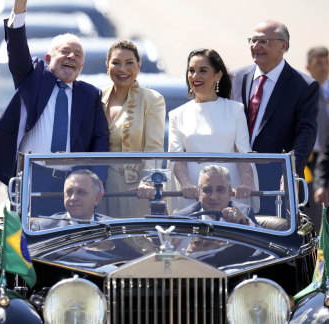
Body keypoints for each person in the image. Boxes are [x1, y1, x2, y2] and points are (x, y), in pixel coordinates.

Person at [0, 0, 109, 187]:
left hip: (73, 186)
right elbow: (17, 50)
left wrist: (97, 182)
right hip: (31, 180)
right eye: (64, 52)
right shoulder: (34, 78)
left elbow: (100, 140)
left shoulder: (90, 95)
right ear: (48, 60)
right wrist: (20, 2)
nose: (71, 57)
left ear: (82, 65)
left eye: (77, 55)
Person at [231, 20, 318, 210]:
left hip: (277, 185)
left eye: (263, 41)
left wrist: (290, 172)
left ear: (283, 45)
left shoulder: (303, 86)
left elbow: (306, 134)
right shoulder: (235, 78)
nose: (255, 46)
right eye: (252, 41)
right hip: (235, 181)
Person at [169, 49, 255, 211]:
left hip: (230, 193)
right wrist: (186, 184)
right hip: (193, 195)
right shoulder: (177, 114)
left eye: (203, 71)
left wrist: (247, 183)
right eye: (191, 71)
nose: (195, 76)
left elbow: (243, 154)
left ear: (218, 75)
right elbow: (177, 158)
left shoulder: (235, 109)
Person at [101, 40, 165, 216]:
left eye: (129, 63)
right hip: (99, 187)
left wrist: (149, 181)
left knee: (132, 241)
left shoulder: (152, 99)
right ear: (107, 66)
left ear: (138, 66)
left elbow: (154, 147)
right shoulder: (98, 97)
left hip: (134, 188)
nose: (122, 69)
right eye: (116, 63)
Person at [174, 165, 257, 226]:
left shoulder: (244, 212)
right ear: (199, 193)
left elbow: (262, 243)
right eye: (207, 190)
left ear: (229, 193)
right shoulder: (182, 218)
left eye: (220, 190)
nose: (213, 197)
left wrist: (244, 223)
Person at [31, 169, 111, 230]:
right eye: (69, 192)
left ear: (96, 198)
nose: (73, 198)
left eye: (81, 192)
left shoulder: (112, 227)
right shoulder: (42, 228)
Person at [305, 46, 329, 229]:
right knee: (309, 208)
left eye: (327, 63)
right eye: (318, 63)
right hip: (308, 158)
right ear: (308, 67)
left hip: (326, 158)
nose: (323, 67)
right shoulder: (303, 93)